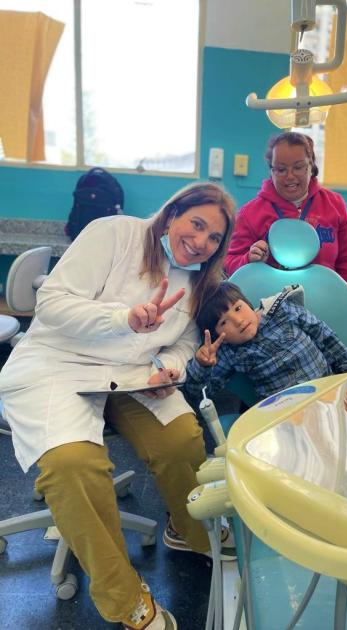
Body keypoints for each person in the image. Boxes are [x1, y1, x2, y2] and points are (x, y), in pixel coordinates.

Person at [0, 182, 236, 630]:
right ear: (172, 215)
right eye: (196, 224)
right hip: (58, 363)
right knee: (73, 465)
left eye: (213, 237)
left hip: (131, 374)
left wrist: (168, 366)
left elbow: (185, 343)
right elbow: (51, 303)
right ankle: (123, 597)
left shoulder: (203, 279)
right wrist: (123, 318)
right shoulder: (114, 234)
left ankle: (187, 530)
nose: (200, 242)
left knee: (182, 439)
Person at [224, 131, 347, 300]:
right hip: (271, 311)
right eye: (281, 169)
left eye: (298, 167)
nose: (290, 176)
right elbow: (228, 263)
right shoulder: (249, 214)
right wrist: (248, 259)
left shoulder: (334, 205)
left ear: (310, 166)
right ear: (271, 170)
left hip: (325, 304)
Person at [185, 282, 347, 404]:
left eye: (238, 308)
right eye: (224, 322)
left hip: (328, 394)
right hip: (281, 416)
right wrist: (201, 365)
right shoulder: (228, 352)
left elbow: (325, 336)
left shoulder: (283, 310)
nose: (238, 321)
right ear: (218, 335)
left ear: (248, 303)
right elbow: (199, 395)